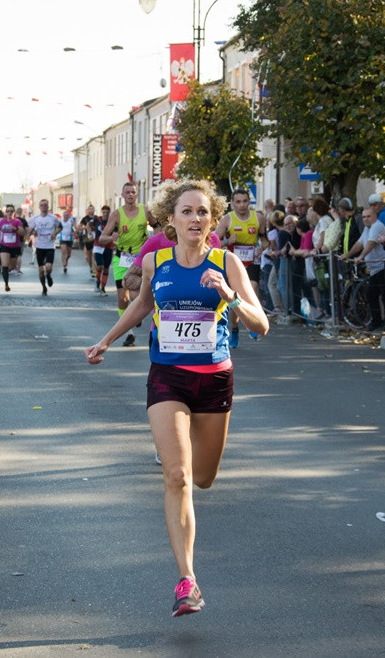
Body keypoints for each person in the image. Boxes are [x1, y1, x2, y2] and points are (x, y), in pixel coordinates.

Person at [84, 179, 269, 617]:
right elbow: (142, 305)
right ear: (171, 218)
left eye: (202, 212)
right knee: (178, 476)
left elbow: (261, 324)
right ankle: (188, 580)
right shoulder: (157, 261)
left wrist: (230, 298)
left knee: (203, 478)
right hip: (167, 376)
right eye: (186, 212)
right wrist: (107, 339)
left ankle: (189, 567)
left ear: (213, 219)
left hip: (215, 380)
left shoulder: (228, 263)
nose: (195, 219)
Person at [102, 183, 154, 345]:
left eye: (133, 192)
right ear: (122, 195)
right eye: (127, 192)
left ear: (137, 194)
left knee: (134, 295)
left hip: (139, 259)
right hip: (122, 259)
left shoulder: (145, 211)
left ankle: (135, 315)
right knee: (122, 298)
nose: (130, 195)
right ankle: (129, 333)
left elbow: (158, 226)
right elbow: (102, 238)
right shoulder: (117, 215)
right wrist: (112, 238)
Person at [216, 188, 263, 345]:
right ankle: (235, 327)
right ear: (233, 204)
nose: (242, 205)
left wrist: (263, 247)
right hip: (234, 262)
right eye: (238, 202)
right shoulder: (227, 220)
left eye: (245, 201)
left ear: (249, 202)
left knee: (253, 288)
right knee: (235, 297)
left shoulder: (259, 218)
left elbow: (266, 239)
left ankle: (252, 324)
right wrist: (227, 242)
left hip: (251, 260)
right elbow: (214, 242)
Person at [29, 199, 61, 296]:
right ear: (39, 207)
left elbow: (60, 227)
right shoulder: (35, 218)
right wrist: (31, 232)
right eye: (41, 205)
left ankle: (49, 276)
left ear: (48, 207)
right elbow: (30, 230)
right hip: (39, 246)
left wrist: (55, 233)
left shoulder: (53, 218)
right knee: (41, 270)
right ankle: (44, 287)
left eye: (45, 205)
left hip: (50, 246)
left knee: (48, 267)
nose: (43, 207)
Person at [0, 205, 24, 292]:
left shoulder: (17, 221)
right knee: (4, 265)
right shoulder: (3, 221)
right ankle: (6, 284)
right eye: (7, 211)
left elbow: (22, 233)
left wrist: (15, 229)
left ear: (14, 213)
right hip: (4, 245)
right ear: (5, 212)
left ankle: (10, 270)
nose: (9, 213)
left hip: (15, 247)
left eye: (11, 211)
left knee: (12, 267)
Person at [58, 208, 77, 273]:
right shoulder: (60, 221)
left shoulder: (71, 221)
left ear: (68, 216)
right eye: (64, 215)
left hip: (70, 239)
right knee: (63, 251)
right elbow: (57, 228)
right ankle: (64, 266)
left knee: (69, 255)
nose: (66, 216)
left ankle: (65, 261)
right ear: (63, 216)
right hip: (62, 238)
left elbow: (76, 228)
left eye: (67, 215)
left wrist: (74, 232)